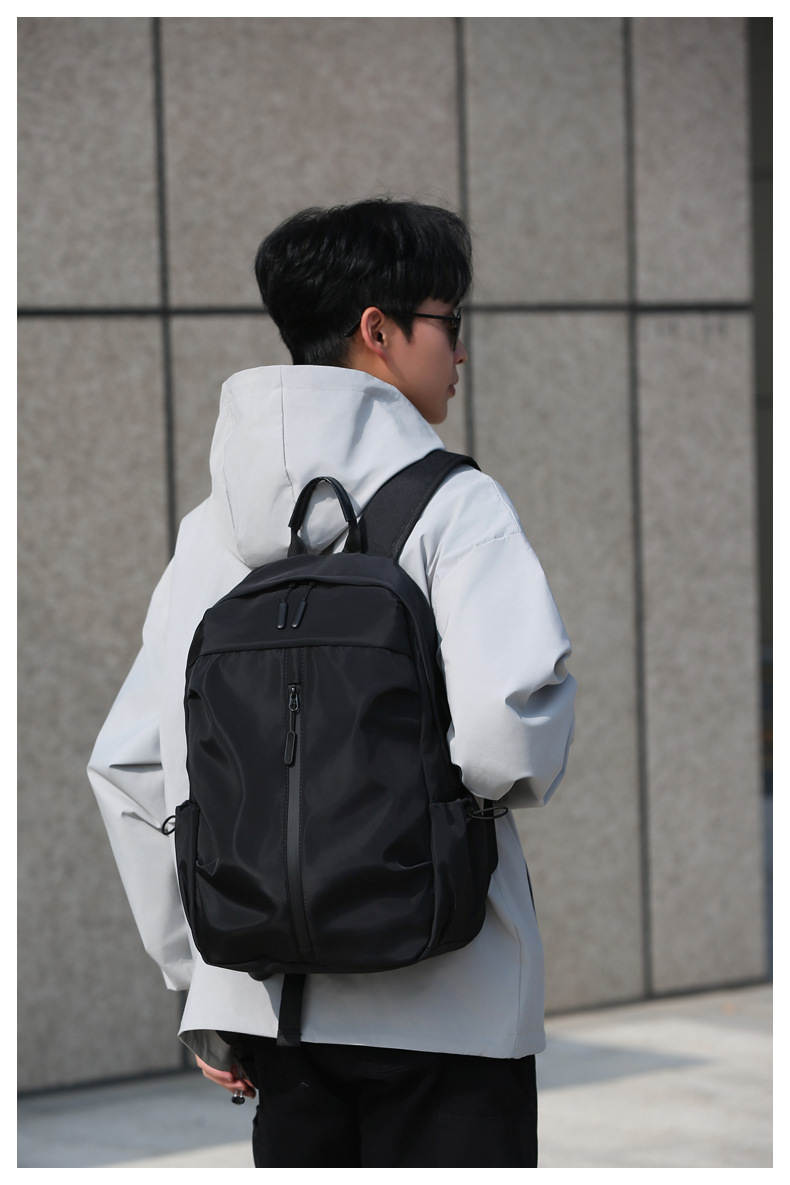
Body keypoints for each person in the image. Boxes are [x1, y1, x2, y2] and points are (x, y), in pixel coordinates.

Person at [88, 198, 576, 1168]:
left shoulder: (210, 534)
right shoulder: (454, 505)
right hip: (449, 998)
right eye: (449, 320)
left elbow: (131, 767)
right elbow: (505, 731)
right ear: (377, 330)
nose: (460, 350)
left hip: (271, 1012)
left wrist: (201, 980)